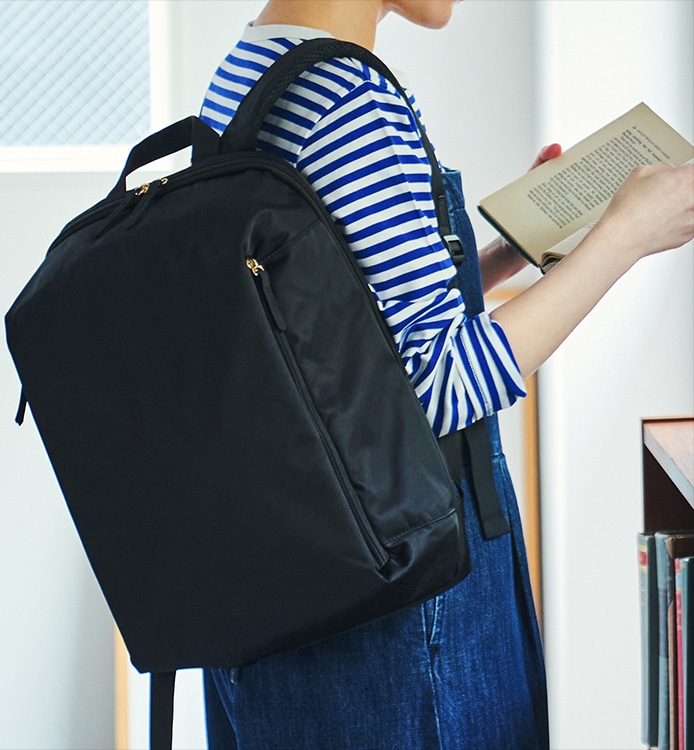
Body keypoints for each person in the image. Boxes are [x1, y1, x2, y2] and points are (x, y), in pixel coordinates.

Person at [198, 1, 694, 748]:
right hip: (404, 614)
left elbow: (330, 335)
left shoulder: (254, 67)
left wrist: (501, 256)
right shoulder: (349, 101)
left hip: (293, 596)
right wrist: (626, 234)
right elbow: (434, 388)